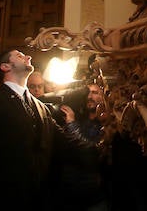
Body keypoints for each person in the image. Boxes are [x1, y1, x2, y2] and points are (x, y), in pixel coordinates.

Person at [0, 49, 60, 209]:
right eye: (20, 56)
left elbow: (59, 143)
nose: (28, 57)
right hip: (2, 199)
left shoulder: (41, 107)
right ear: (5, 66)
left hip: (38, 199)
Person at [56, 82, 110, 211]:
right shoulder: (79, 118)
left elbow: (92, 152)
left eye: (95, 93)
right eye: (88, 93)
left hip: (93, 194)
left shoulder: (106, 124)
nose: (89, 96)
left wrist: (72, 125)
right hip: (70, 192)